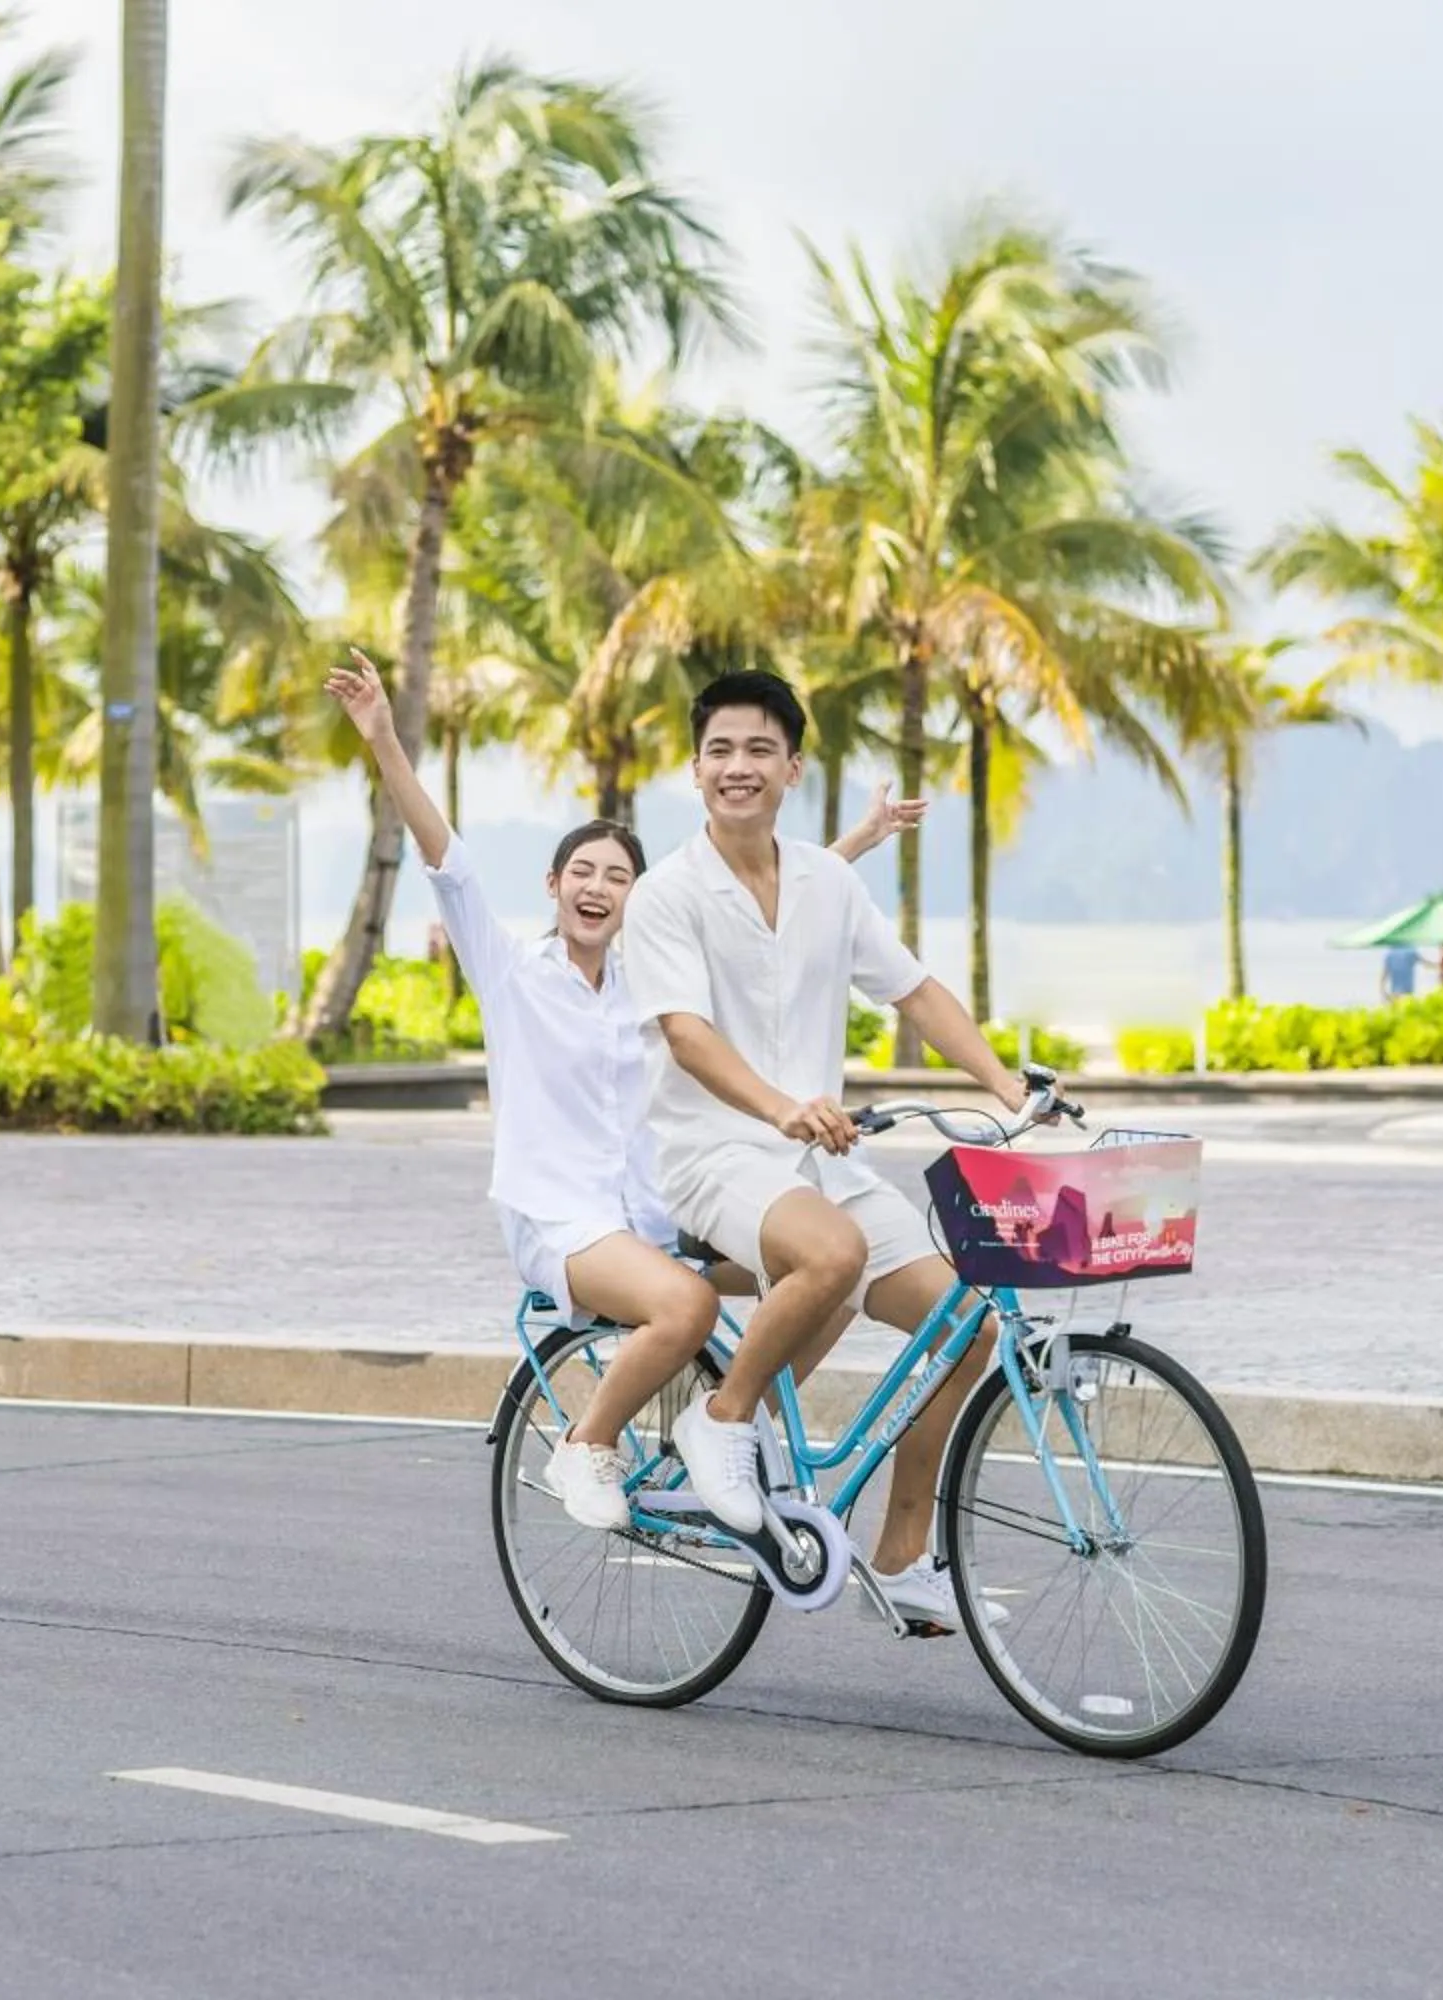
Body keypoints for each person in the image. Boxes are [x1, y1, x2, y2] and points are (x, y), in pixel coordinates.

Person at [325, 651, 920, 1533]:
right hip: (559, 1219)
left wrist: (858, 842)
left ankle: (728, 1425)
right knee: (691, 1303)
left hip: (648, 1217)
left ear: (640, 900)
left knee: (825, 1269)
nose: (598, 888)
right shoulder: (511, 972)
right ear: (554, 886)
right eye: (584, 873)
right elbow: (447, 861)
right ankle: (586, 1441)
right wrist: (384, 743)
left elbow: (770, 917)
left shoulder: (654, 980)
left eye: (618, 878)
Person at [621, 668, 1039, 1633]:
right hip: (713, 1155)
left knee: (966, 1327)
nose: (739, 767)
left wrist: (1008, 1087)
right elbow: (686, 1034)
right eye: (721, 750)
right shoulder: (667, 894)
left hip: (820, 1162)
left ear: (792, 769)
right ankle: (721, 1419)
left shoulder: (827, 882)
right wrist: (779, 1108)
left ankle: (899, 1557)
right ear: (695, 769)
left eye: (759, 750)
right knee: (833, 1256)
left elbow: (915, 992)